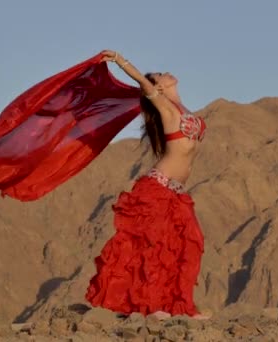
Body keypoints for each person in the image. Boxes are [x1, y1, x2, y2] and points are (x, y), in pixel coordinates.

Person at [85, 50, 208, 320]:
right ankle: (151, 307)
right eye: (160, 75)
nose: (166, 74)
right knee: (154, 247)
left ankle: (180, 306)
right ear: (159, 87)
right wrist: (120, 61)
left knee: (186, 245)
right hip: (157, 187)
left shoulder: (185, 110)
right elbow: (143, 83)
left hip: (177, 192)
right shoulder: (165, 108)